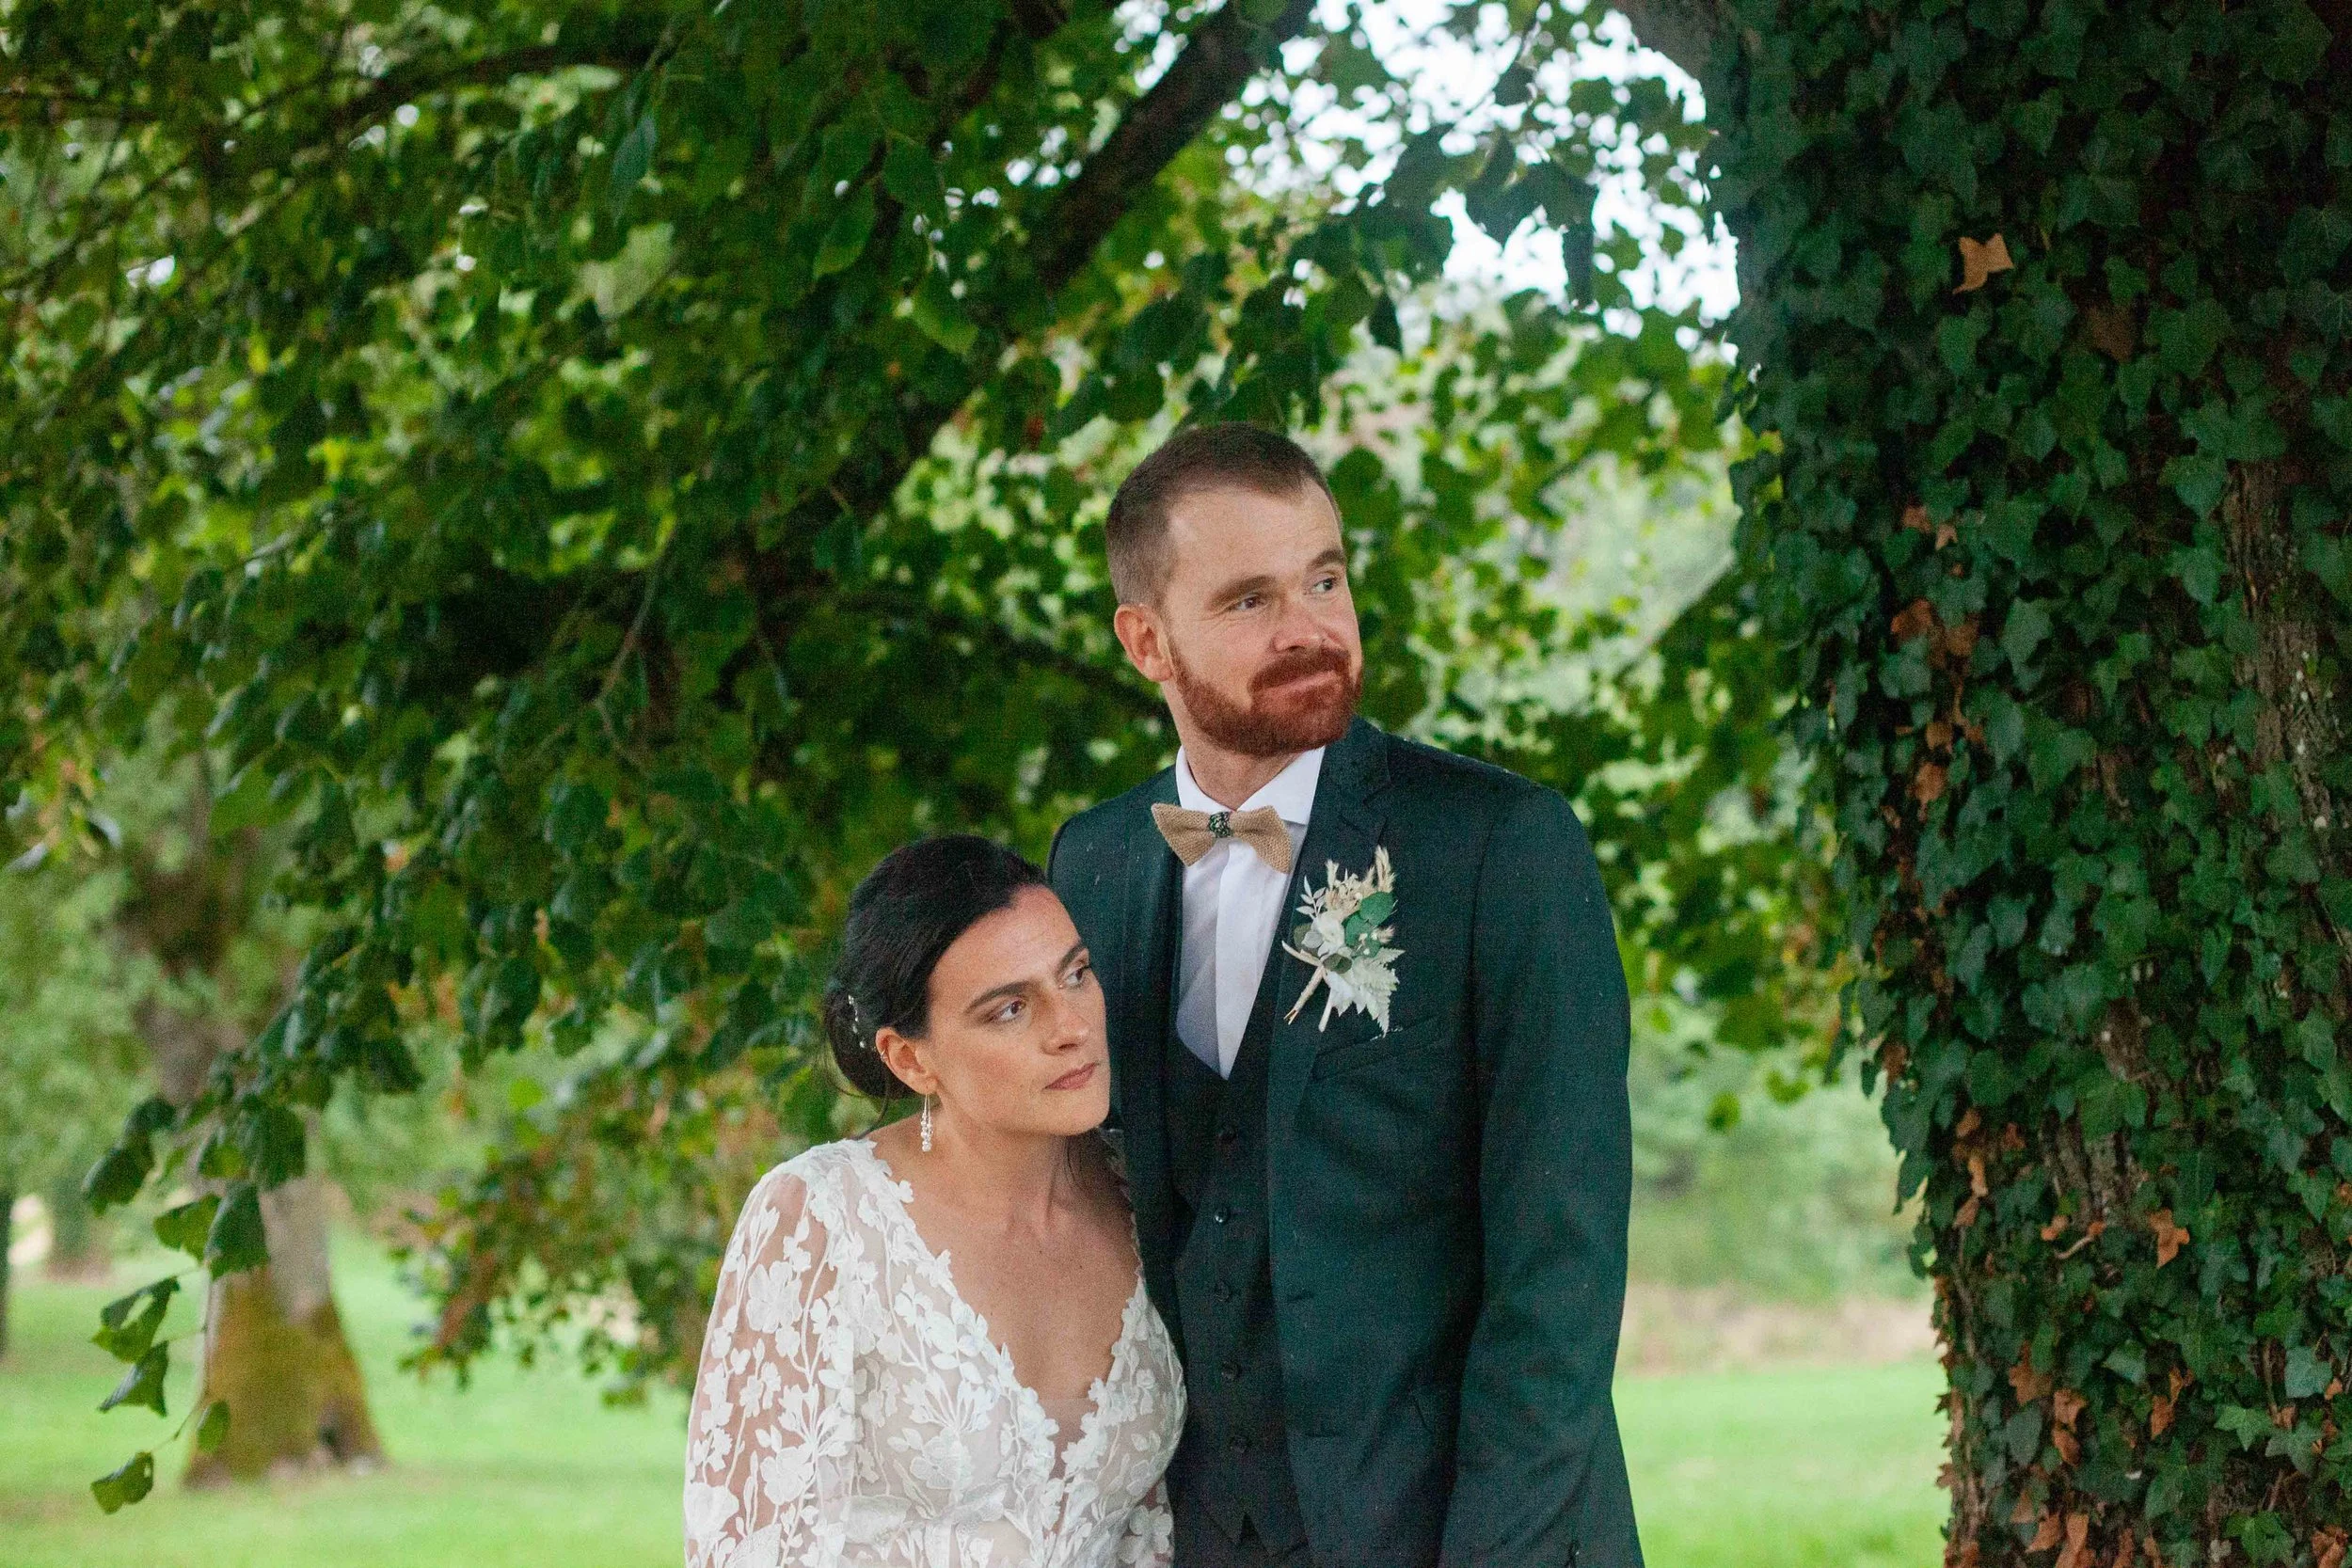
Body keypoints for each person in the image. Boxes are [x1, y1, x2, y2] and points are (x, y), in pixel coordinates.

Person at [1048, 424, 1641, 1567]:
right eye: (1249, 599)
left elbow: (1558, 1275)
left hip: (1461, 1533)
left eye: (1324, 579)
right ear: (1145, 640)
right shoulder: (1094, 861)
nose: (1308, 627)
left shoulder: (1500, 846)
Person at [684, 835, 1184, 1567]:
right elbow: (747, 1549)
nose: (1072, 1027)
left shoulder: (1145, 1195)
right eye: (1010, 1009)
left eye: (1076, 973)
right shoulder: (819, 1221)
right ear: (910, 1058)